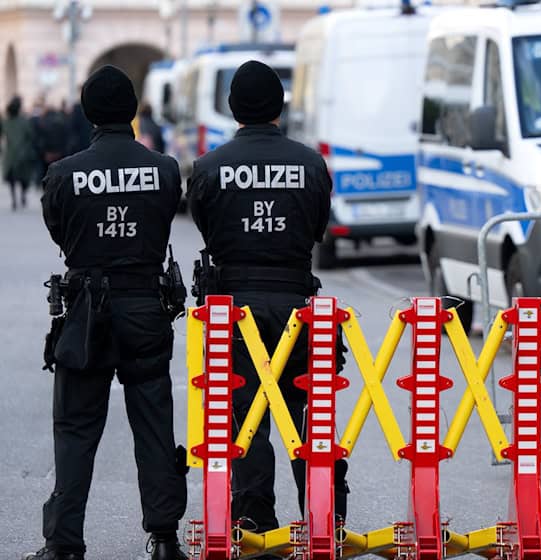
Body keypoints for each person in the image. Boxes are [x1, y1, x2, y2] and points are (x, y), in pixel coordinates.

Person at [26, 65, 188, 560]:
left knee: (75, 426)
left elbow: (60, 232)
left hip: (85, 311)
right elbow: (164, 221)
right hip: (145, 306)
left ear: (89, 113)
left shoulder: (64, 173)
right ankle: (163, 539)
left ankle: (64, 544)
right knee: (154, 422)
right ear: (133, 109)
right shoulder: (163, 169)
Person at [187, 60, 346, 549]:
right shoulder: (311, 164)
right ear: (280, 106)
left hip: (234, 310)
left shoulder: (209, 168)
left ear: (233, 107)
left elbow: (207, 228)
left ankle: (255, 525)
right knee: (308, 412)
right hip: (299, 305)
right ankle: (324, 521)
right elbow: (317, 226)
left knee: (245, 413)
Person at [3, 96, 37, 210]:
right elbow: (31, 135)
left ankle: (14, 199)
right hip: (23, 153)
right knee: (23, 178)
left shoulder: (6, 121)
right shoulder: (24, 121)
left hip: (10, 155)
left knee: (12, 179)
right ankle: (22, 195)